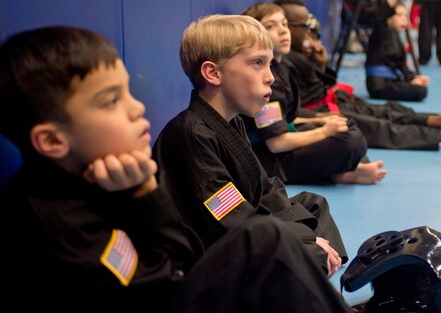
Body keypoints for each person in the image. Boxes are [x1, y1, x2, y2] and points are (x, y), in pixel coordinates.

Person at [0, 26, 352, 313]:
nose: (137, 107)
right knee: (265, 240)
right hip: (193, 275)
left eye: (127, 93)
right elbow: (177, 272)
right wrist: (144, 196)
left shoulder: (101, 179)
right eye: (111, 101)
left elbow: (265, 190)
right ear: (51, 141)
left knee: (308, 206)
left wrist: (141, 192)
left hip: (188, 277)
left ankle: (314, 280)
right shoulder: (55, 224)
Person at [152, 15, 347, 279]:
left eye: (270, 65)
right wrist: (307, 241)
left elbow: (265, 188)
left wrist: (307, 237)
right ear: (213, 73)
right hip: (209, 258)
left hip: (243, 230)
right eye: (258, 63)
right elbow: (232, 221)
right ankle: (316, 273)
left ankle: (319, 270)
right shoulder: (191, 135)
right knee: (306, 249)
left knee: (313, 204)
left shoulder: (232, 121)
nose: (270, 78)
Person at [274, 0, 441, 151]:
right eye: (302, 25)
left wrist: (319, 63)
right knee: (379, 127)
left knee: (388, 111)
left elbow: (318, 84)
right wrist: (320, 117)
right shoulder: (281, 61)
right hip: (317, 112)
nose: (309, 30)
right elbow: (293, 107)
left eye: (285, 25)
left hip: (329, 102)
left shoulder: (295, 54)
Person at [241, 2, 387, 185]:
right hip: (270, 162)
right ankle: (340, 173)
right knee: (349, 141)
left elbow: (288, 116)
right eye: (270, 26)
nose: (282, 31)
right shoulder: (266, 80)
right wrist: (325, 131)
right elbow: (276, 142)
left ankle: (345, 171)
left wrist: (321, 119)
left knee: (345, 126)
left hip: (280, 146)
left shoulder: (280, 68)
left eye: (284, 24)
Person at [365, 2, 429, 102]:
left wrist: (412, 78)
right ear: (389, 19)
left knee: (421, 88)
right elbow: (380, 16)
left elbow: (401, 65)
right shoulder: (381, 33)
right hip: (379, 85)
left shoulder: (396, 37)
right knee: (420, 91)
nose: (404, 19)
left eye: (405, 16)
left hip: (392, 81)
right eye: (399, 15)